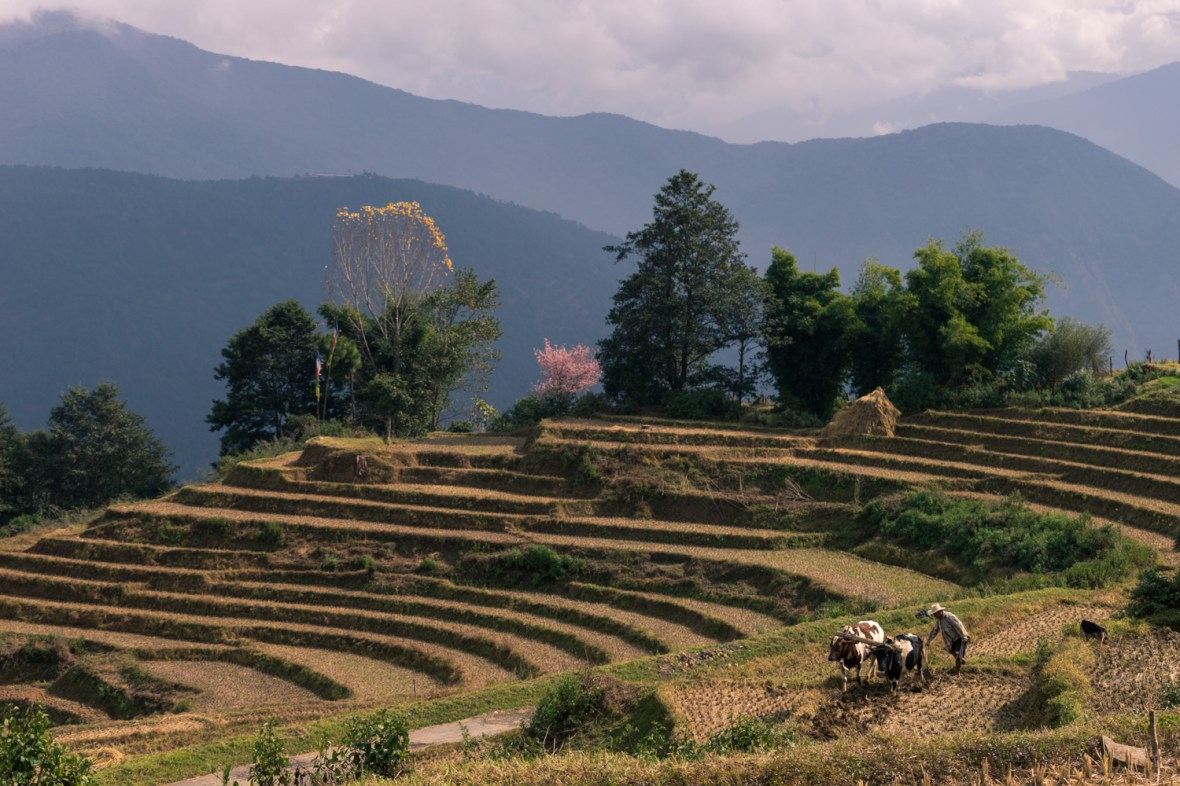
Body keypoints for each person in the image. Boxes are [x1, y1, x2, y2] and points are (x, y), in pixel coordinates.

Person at [925, 603, 970, 676]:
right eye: (934, 614)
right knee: (950, 651)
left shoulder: (950, 617)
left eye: (935, 614)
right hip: (950, 640)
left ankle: (957, 672)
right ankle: (960, 660)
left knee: (958, 655)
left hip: (959, 637)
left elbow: (959, 626)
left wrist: (964, 636)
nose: (935, 616)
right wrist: (928, 641)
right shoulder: (939, 621)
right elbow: (934, 630)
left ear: (940, 612)